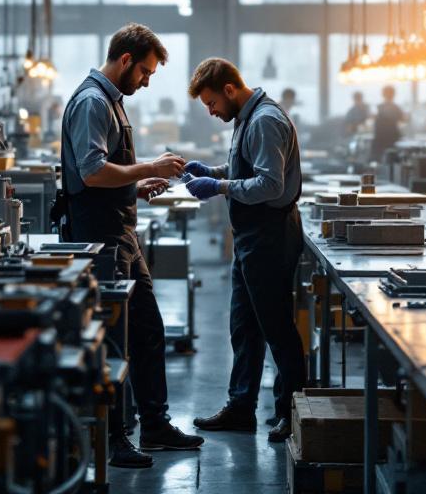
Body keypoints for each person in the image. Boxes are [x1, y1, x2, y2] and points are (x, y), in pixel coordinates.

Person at [59, 23, 205, 468]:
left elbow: (107, 176)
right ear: (125, 60)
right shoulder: (92, 102)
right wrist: (146, 168)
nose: (146, 81)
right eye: (144, 71)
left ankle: (155, 426)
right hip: (100, 240)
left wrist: (135, 189)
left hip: (119, 232)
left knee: (145, 330)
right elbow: (90, 173)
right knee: (114, 342)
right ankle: (115, 436)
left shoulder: (110, 101)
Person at [182, 58, 307, 443]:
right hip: (250, 236)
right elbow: (248, 169)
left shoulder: (265, 120)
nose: (211, 111)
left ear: (230, 90)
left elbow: (269, 185)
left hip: (270, 235)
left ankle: (291, 413)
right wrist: (216, 172)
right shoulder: (247, 118)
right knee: (244, 326)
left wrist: (219, 188)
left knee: (277, 330)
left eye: (211, 103)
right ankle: (241, 407)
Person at [371, 85, 404, 163]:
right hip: (389, 140)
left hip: (383, 141)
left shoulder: (379, 108)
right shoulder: (395, 108)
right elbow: (402, 119)